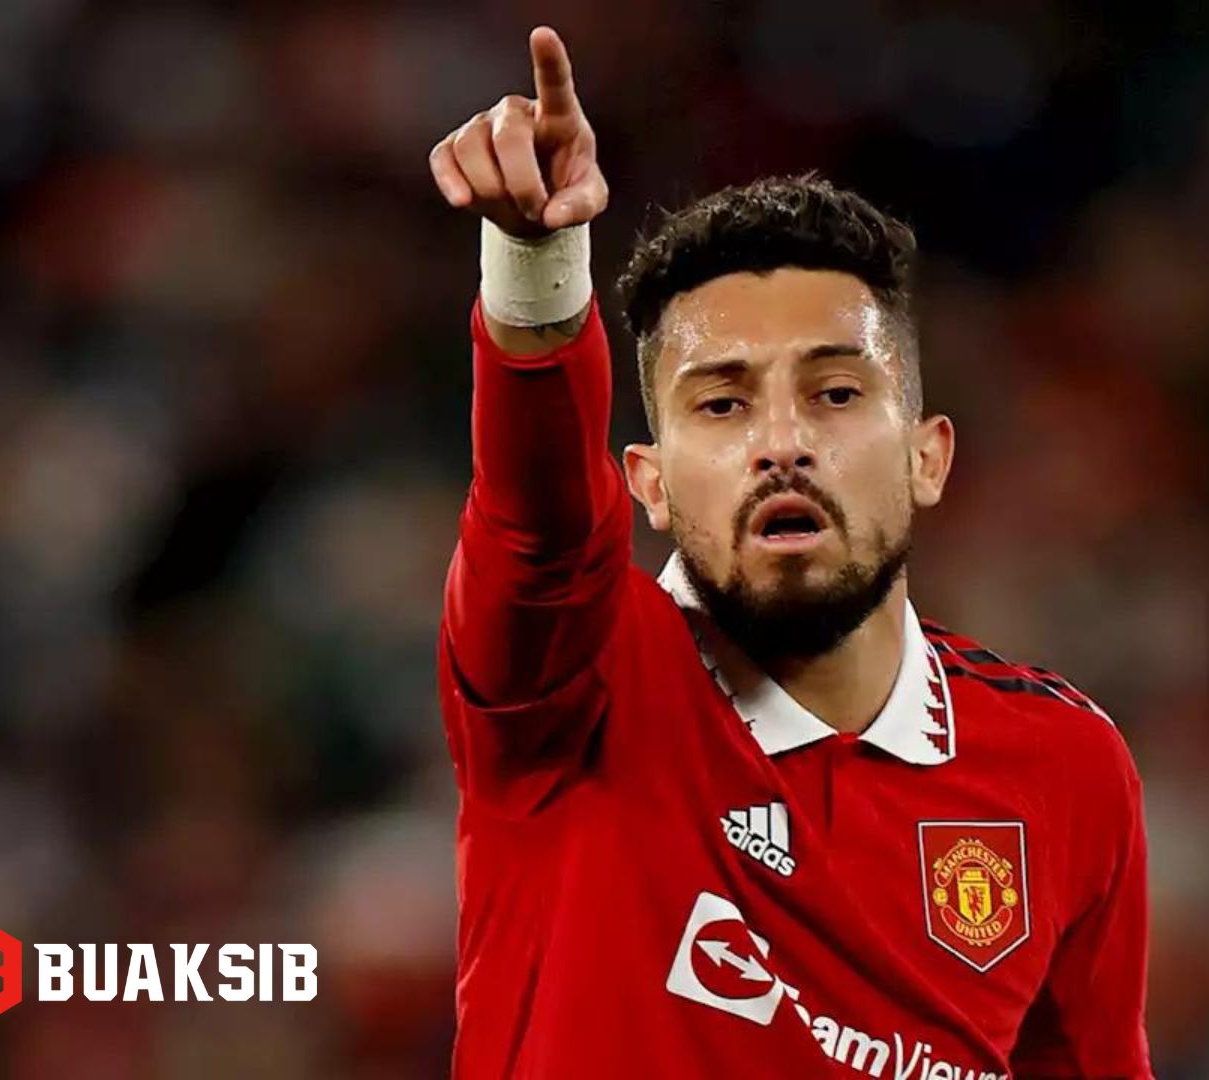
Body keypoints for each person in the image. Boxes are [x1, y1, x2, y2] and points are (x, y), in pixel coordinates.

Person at [428, 25, 1153, 1080]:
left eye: (836, 392)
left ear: (927, 456)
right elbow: (536, 524)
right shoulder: (572, 683)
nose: (782, 442)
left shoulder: (1065, 767)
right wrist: (536, 266)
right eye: (723, 404)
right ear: (650, 484)